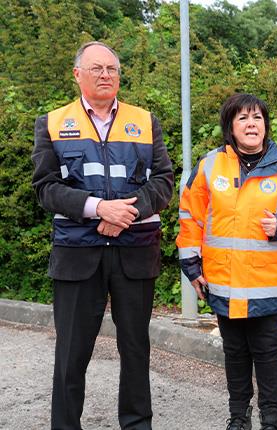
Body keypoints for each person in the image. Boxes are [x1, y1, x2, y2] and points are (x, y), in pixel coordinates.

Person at [31, 41, 174, 429]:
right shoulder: (52, 122)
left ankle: (137, 425)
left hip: (135, 252)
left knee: (135, 351)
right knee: (72, 354)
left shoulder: (145, 121)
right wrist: (98, 208)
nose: (106, 75)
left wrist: (125, 213)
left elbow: (163, 182)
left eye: (112, 69)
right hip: (78, 255)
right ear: (77, 74)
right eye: (97, 69)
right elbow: (45, 187)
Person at [177, 93, 277, 430]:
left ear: (266, 125)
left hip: (266, 287)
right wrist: (192, 268)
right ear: (230, 126)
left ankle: (271, 421)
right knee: (235, 355)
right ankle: (238, 419)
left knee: (268, 356)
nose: (251, 123)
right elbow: (190, 218)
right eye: (243, 118)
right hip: (222, 284)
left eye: (257, 117)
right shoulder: (210, 165)